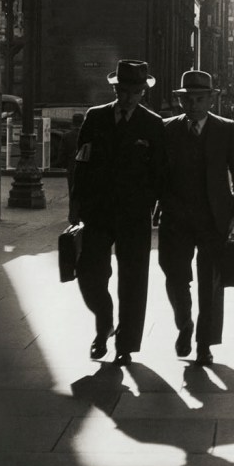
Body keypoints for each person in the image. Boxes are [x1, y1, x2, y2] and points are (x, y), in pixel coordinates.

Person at [69, 60, 167, 365]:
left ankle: (125, 344)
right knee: (89, 273)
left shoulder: (152, 125)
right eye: (122, 91)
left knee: (133, 279)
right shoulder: (95, 118)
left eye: (134, 92)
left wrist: (155, 204)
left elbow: (159, 171)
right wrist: (75, 204)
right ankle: (105, 322)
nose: (127, 98)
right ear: (115, 89)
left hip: (135, 213)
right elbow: (80, 163)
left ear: (142, 93)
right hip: (97, 211)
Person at [158, 70, 234, 367]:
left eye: (200, 98)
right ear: (181, 101)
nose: (194, 105)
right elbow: (158, 172)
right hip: (176, 217)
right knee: (175, 276)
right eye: (188, 99)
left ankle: (204, 344)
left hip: (214, 218)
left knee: (210, 282)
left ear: (211, 100)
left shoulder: (226, 129)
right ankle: (184, 323)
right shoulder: (167, 129)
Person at [57, 111, 85, 195]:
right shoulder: (88, 135)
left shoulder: (66, 136)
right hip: (85, 168)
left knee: (72, 192)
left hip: (72, 167)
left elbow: (62, 154)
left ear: (73, 122)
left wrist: (65, 165)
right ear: (83, 122)